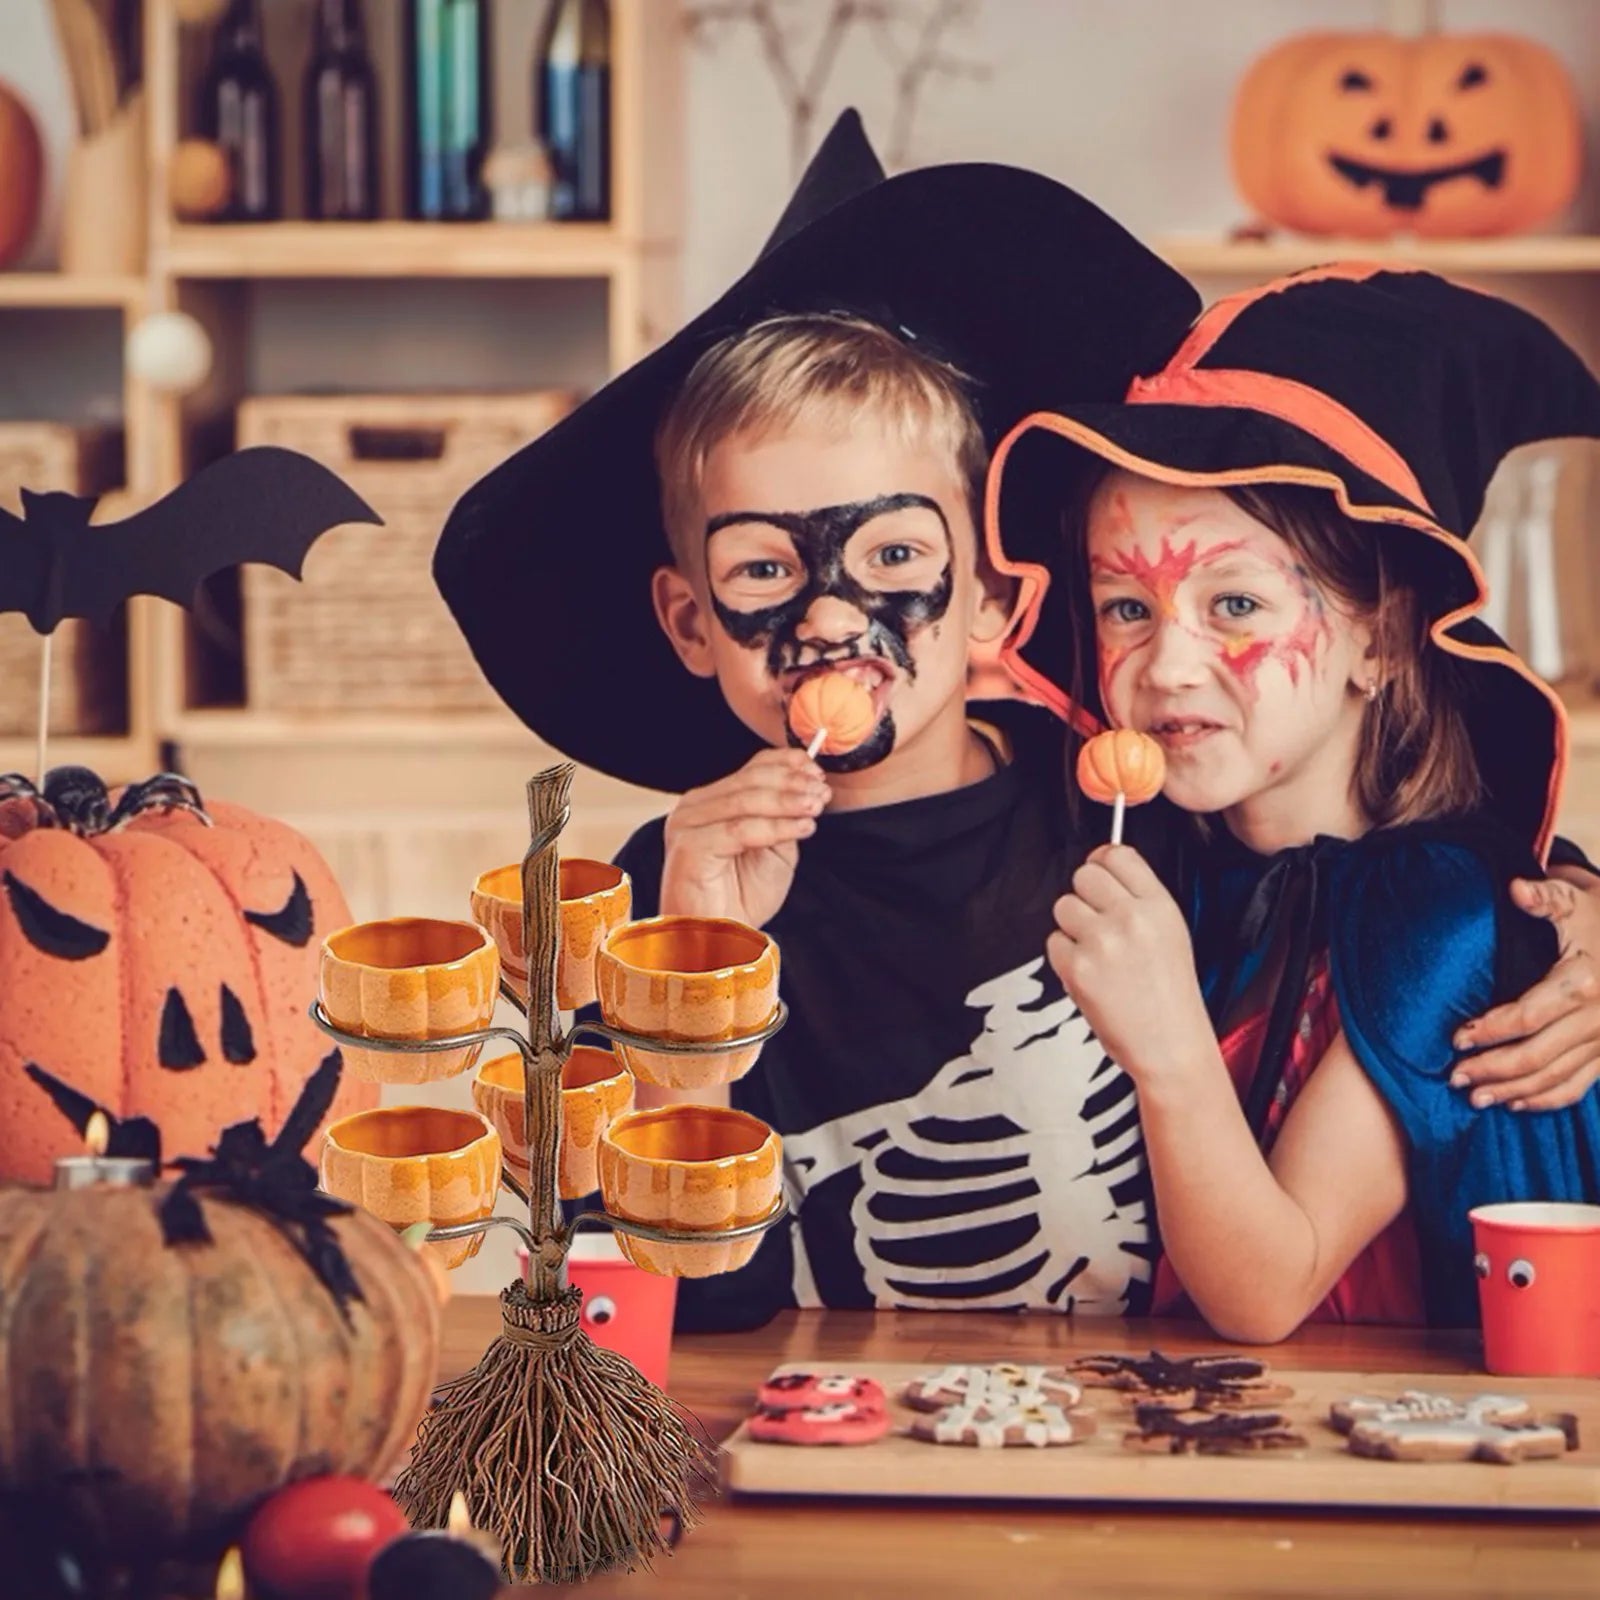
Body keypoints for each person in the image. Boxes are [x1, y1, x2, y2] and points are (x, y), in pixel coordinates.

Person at [436, 124, 1600, 1333]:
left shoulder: (1133, 810)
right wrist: (694, 997)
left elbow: (1381, 882)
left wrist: (1567, 917)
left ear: (996, 592)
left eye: (895, 555)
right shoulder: (657, 896)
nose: (830, 616)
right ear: (691, 619)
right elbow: (674, 1310)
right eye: (764, 569)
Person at [987, 263, 1600, 1337]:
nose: (1167, 665)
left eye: (1235, 604)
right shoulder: (1172, 860)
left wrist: (1167, 1044)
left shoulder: (1442, 912)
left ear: (1382, 639)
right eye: (1126, 607)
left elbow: (1268, 1289)